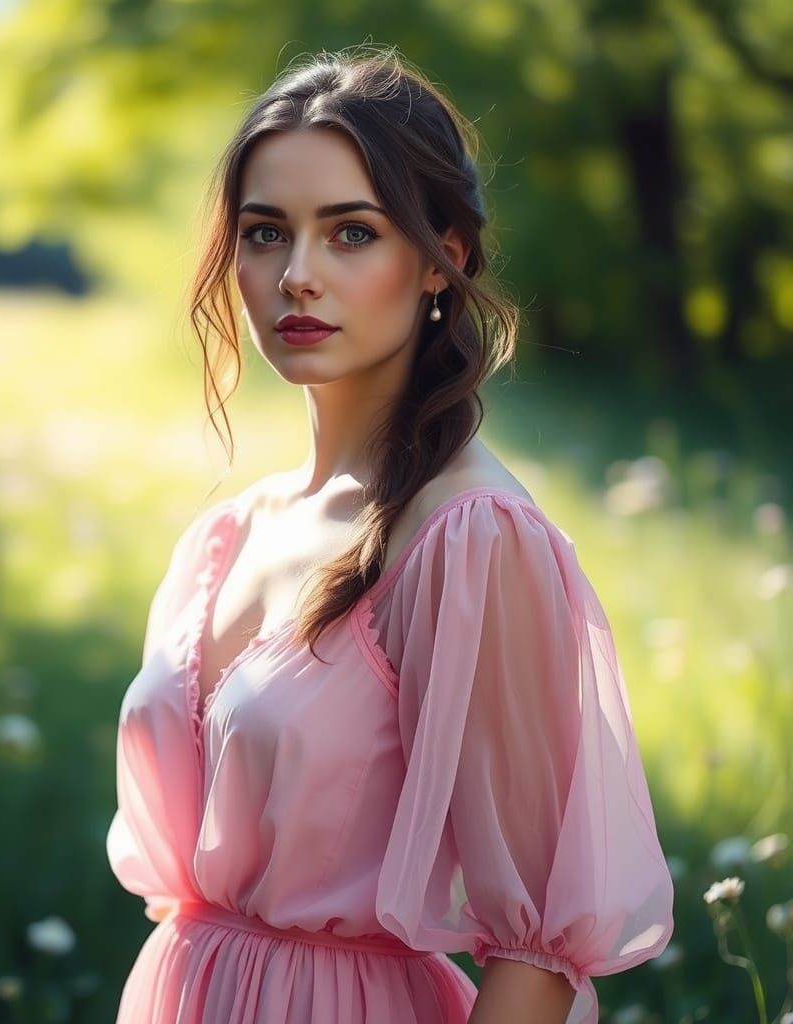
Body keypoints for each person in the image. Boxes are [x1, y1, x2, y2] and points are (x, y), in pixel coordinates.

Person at [107, 44, 674, 1024]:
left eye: (351, 234)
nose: (296, 276)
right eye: (264, 232)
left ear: (439, 256)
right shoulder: (227, 535)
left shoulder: (467, 539)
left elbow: (534, 956)